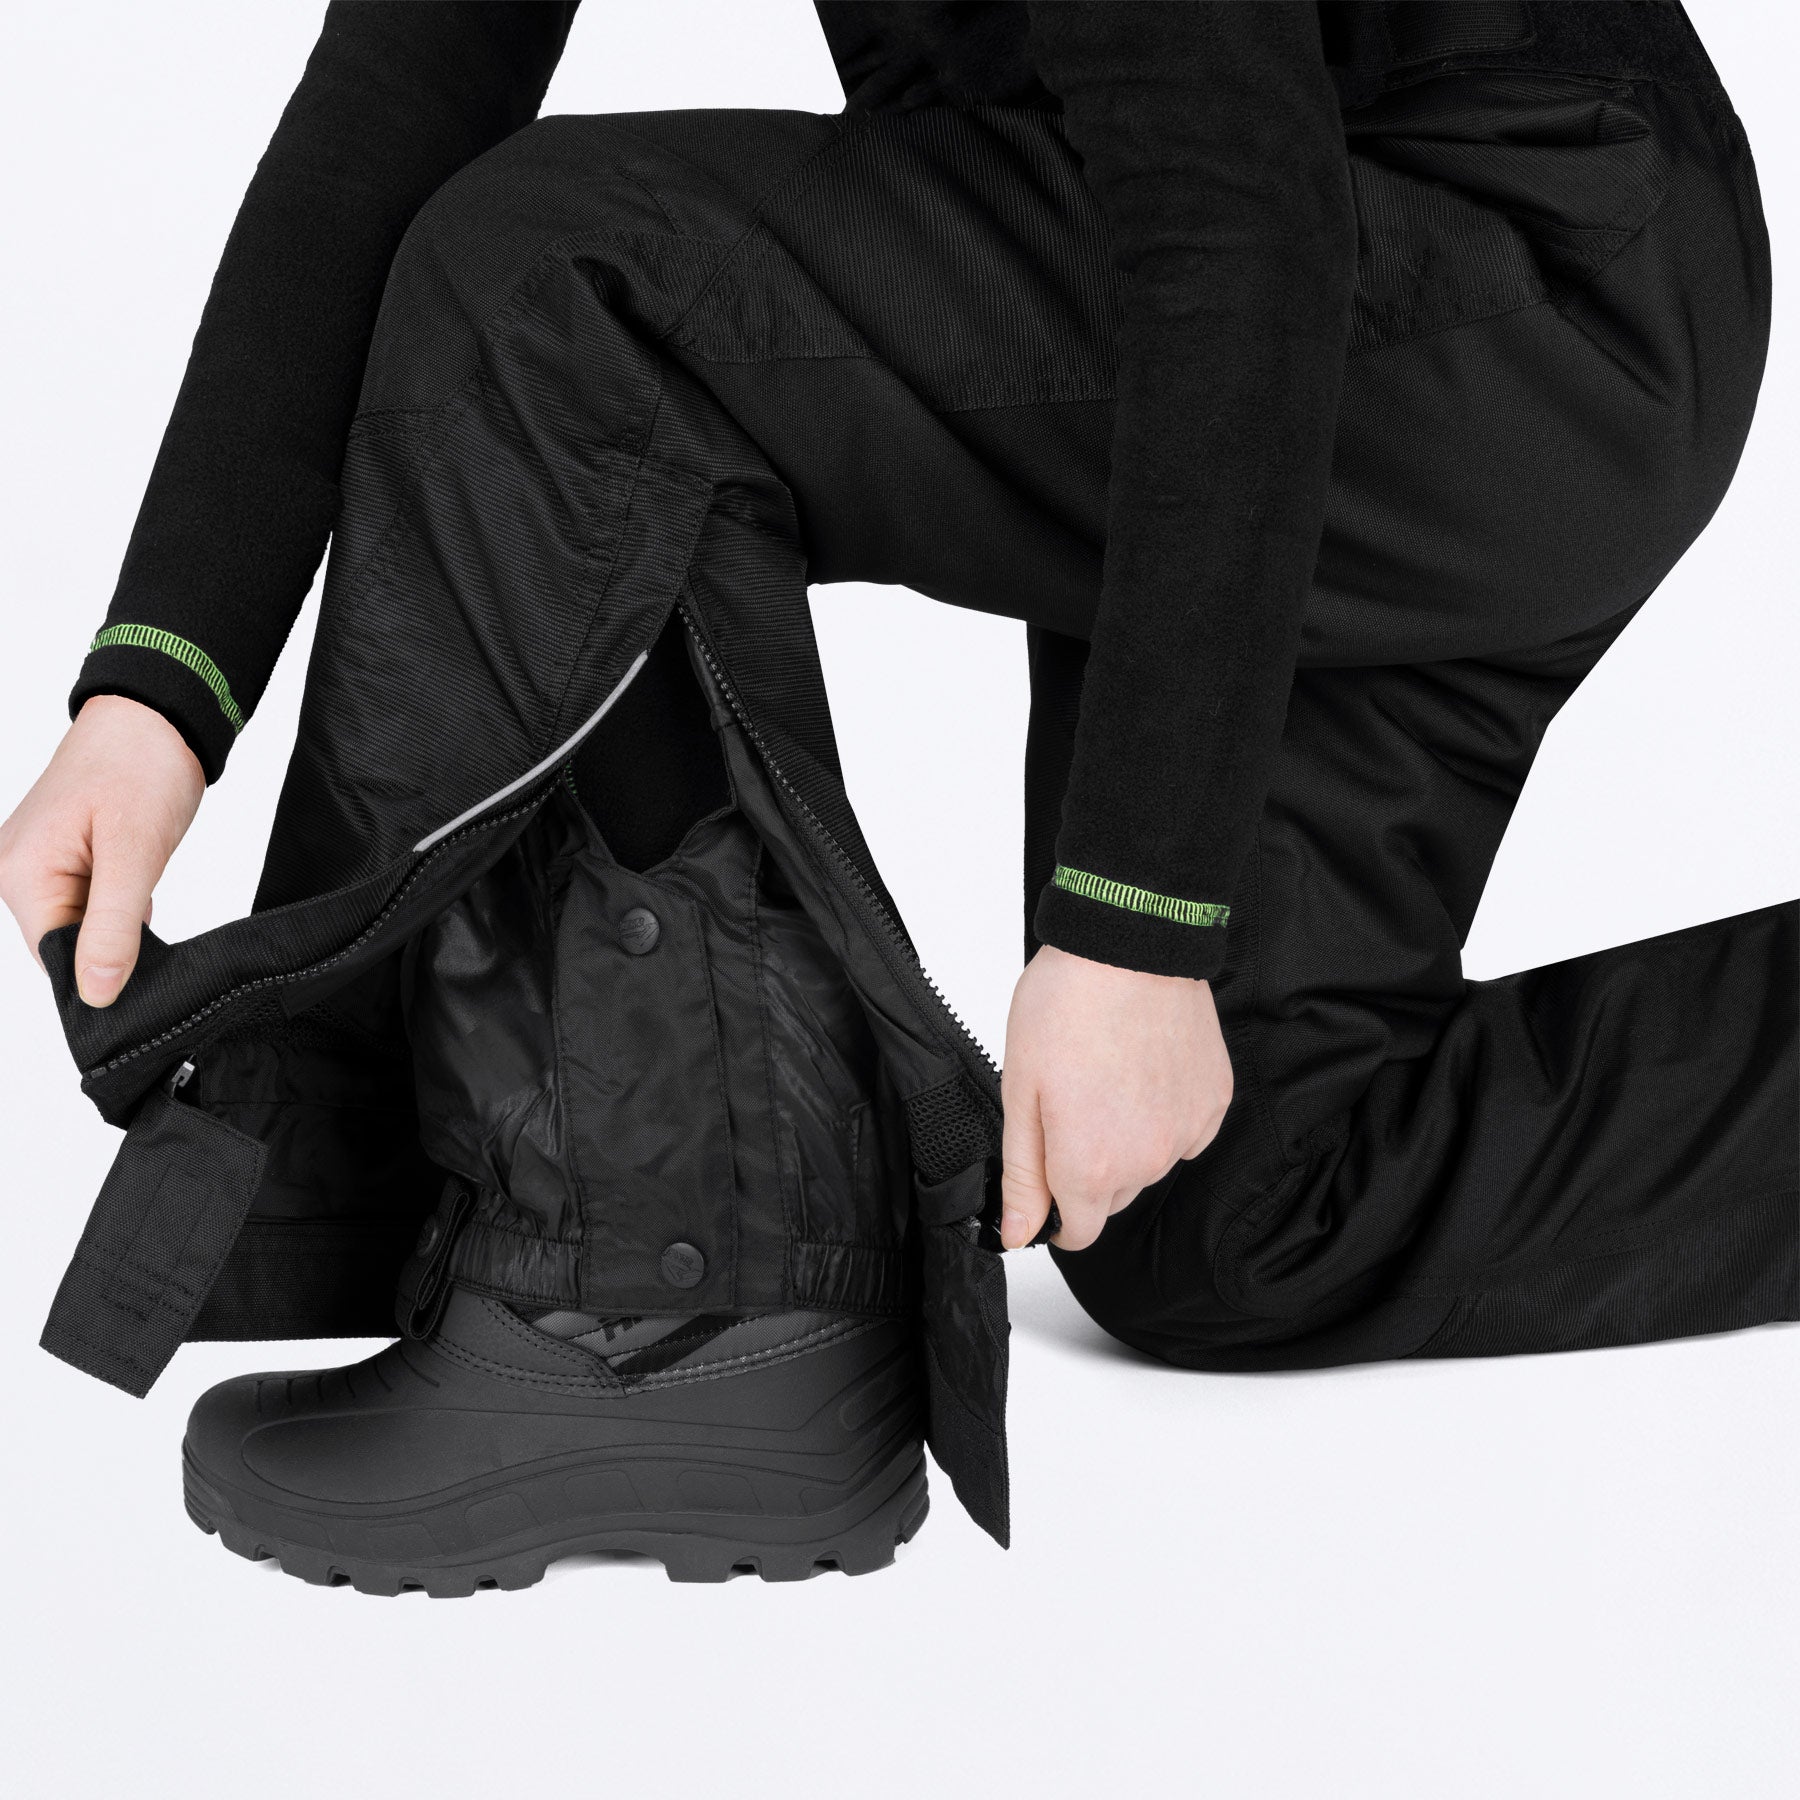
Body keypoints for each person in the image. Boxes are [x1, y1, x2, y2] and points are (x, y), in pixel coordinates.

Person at [3, 2, 1793, 1593]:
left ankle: (677, 1305)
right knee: (1228, 1199)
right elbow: (409, 76)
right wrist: (163, 681)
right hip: (1408, 293)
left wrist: (1137, 919)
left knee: (572, 283)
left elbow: (1230, 189)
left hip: (1488, 263)